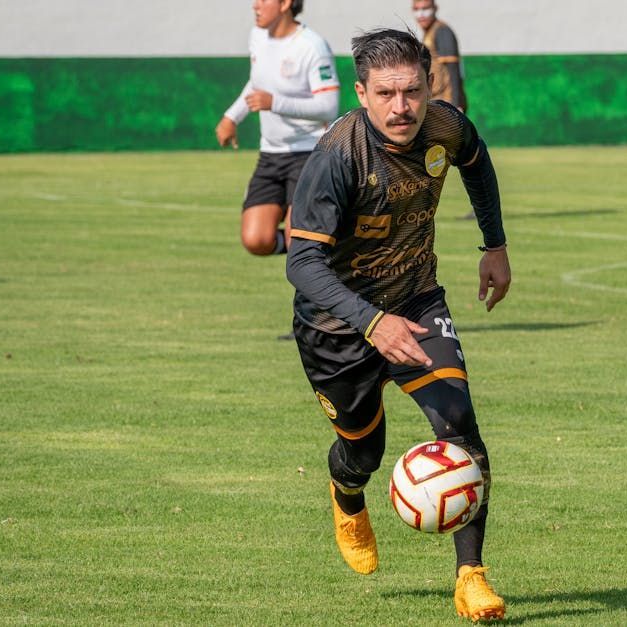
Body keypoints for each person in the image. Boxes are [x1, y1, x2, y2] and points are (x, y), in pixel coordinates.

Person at [286, 28, 510, 621]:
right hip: (336, 328)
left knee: (459, 422)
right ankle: (347, 494)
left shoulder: (445, 125)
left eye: (412, 91)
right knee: (363, 451)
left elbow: (477, 162)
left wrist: (494, 245)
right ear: (361, 93)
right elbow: (302, 264)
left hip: (415, 302)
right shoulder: (337, 157)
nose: (401, 107)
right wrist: (371, 323)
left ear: (430, 85)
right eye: (385, 94)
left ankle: (471, 577)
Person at [216, 0, 340, 259]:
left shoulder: (312, 46)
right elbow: (257, 83)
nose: (255, 5)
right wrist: (231, 117)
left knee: (301, 241)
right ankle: (307, 246)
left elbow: (328, 107)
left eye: (264, 0)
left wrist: (275, 103)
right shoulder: (257, 37)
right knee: (255, 240)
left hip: (309, 153)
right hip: (271, 154)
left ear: (285, 4)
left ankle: (311, 252)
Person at [412, 0, 467, 112]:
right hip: (436, 99)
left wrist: (456, 105)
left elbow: (453, 68)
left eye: (425, 9)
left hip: (447, 102)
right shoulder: (429, 32)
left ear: (435, 8)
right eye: (416, 9)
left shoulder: (442, 31)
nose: (421, 14)